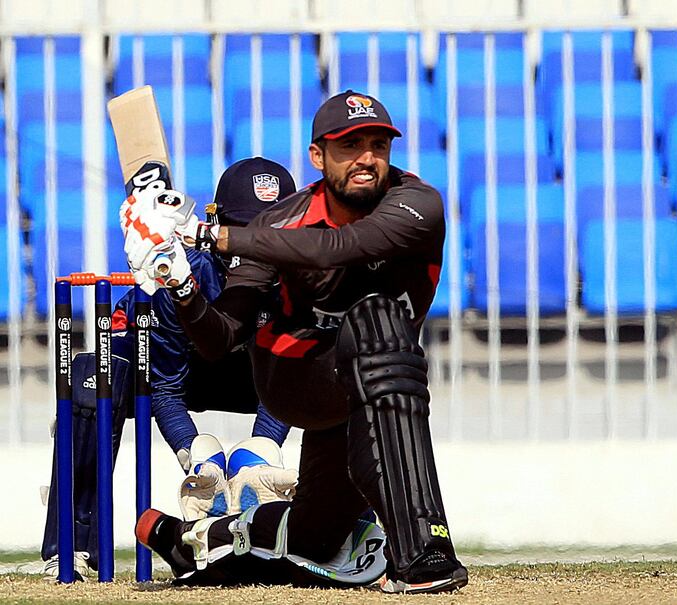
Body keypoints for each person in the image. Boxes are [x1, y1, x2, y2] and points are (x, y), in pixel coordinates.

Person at [122, 90, 468, 593]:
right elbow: (220, 339)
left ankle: (196, 537)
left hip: (364, 390)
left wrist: (205, 235)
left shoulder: (416, 204)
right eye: (349, 147)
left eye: (377, 144)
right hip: (296, 381)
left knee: (316, 536)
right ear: (317, 157)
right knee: (379, 322)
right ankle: (425, 553)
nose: (367, 159)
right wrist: (180, 284)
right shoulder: (278, 224)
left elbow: (341, 248)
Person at [41, 157, 300, 579]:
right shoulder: (181, 273)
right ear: (214, 224)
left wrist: (259, 457)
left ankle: (354, 540)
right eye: (242, 230)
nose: (253, 245)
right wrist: (193, 454)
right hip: (180, 368)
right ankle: (70, 549)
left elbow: (291, 374)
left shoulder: (300, 280)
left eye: (267, 233)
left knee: (351, 370)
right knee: (96, 374)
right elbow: (165, 386)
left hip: (260, 378)